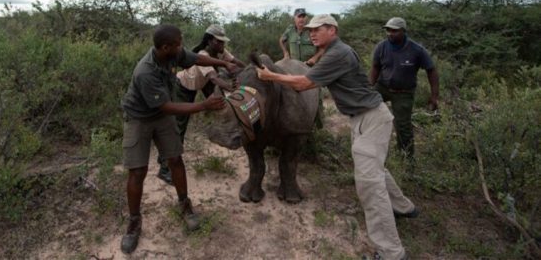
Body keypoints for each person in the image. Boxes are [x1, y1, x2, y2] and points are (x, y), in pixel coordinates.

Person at [258, 14, 416, 260]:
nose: (312, 34)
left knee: (369, 185)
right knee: (374, 168)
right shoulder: (333, 51)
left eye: (317, 29)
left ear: (332, 30)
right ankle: (403, 206)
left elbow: (302, 84)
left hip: (371, 118)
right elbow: (313, 69)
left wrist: (271, 77)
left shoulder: (338, 54)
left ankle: (391, 252)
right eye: (310, 30)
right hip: (364, 118)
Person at [119, 24, 238, 254]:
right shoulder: (145, 71)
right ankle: (134, 223)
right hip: (139, 118)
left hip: (161, 115)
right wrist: (203, 105)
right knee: (137, 171)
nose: (181, 47)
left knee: (175, 159)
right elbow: (167, 106)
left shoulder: (174, 52)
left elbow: (197, 59)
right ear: (165, 48)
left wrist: (223, 63)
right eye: (178, 44)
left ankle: (185, 205)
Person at [157, 24, 245, 184]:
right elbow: (213, 77)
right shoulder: (203, 54)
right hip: (183, 88)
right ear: (210, 41)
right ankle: (165, 168)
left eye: (223, 42)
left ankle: (164, 159)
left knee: (220, 107)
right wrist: (232, 88)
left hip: (199, 84)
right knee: (177, 128)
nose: (222, 45)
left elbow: (236, 62)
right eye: (219, 42)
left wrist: (250, 70)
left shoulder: (220, 52)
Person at [369, 17, 439, 159]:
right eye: (388, 30)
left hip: (404, 92)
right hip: (383, 87)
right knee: (365, 109)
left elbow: (431, 70)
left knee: (403, 126)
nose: (390, 33)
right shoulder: (382, 47)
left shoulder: (416, 50)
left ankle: (407, 158)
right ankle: (369, 147)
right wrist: (369, 88)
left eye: (394, 31)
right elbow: (375, 67)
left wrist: (434, 96)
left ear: (403, 31)